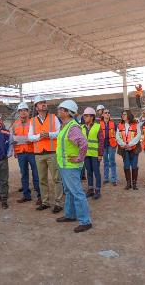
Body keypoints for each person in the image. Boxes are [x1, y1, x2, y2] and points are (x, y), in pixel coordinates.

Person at [55, 100, 92, 233]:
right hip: (65, 165)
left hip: (71, 166)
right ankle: (70, 215)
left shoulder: (72, 127)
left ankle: (85, 221)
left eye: (60, 109)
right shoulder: (65, 126)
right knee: (70, 191)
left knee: (77, 192)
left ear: (66, 112)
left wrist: (79, 158)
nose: (58, 111)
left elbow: (84, 144)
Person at [28, 95, 64, 214]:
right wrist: (39, 136)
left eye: (44, 102)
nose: (44, 104)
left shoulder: (54, 117)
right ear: (36, 107)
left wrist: (48, 135)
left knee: (56, 179)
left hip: (52, 153)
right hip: (39, 154)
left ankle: (58, 203)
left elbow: (59, 133)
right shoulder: (32, 121)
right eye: (41, 103)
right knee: (42, 179)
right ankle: (45, 202)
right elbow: (30, 137)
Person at [12, 102, 41, 204]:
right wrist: (15, 150)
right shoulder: (15, 124)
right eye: (21, 111)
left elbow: (38, 136)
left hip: (32, 152)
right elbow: (13, 139)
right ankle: (26, 195)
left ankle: (40, 196)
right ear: (18, 112)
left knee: (36, 174)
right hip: (21, 153)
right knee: (24, 174)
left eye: (25, 110)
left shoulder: (34, 123)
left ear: (28, 112)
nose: (23, 112)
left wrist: (32, 140)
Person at [81, 107, 104, 199]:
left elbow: (101, 141)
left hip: (95, 155)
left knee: (96, 172)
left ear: (92, 117)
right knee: (89, 172)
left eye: (87, 116)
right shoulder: (81, 127)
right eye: (84, 115)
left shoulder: (97, 126)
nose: (85, 117)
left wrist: (100, 154)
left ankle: (97, 190)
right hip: (86, 154)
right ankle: (90, 189)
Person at [116, 110, 141, 190]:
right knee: (126, 165)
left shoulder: (136, 124)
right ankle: (128, 183)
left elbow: (138, 135)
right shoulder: (119, 125)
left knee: (134, 166)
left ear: (129, 115)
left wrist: (130, 144)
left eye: (125, 114)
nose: (123, 116)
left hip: (134, 148)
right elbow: (117, 136)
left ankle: (134, 184)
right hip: (124, 149)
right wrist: (124, 145)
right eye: (122, 114)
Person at [100, 108, 118, 186]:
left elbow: (118, 134)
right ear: (103, 114)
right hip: (103, 145)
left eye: (108, 112)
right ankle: (106, 178)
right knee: (105, 162)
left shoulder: (114, 124)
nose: (107, 114)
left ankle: (114, 179)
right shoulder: (99, 124)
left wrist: (116, 142)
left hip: (112, 145)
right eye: (106, 112)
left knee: (112, 162)